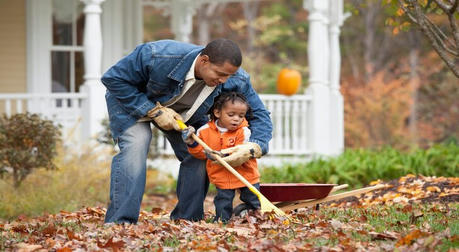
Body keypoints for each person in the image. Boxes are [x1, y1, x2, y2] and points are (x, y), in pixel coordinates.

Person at [101, 38, 272, 224]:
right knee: (137, 144)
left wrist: (254, 146)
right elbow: (113, 78)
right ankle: (120, 222)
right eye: (220, 74)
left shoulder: (236, 79)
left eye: (228, 76)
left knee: (201, 152)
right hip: (133, 104)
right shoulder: (157, 55)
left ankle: (186, 220)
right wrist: (152, 110)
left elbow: (260, 114)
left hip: (185, 116)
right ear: (204, 61)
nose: (224, 81)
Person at [181, 92, 260, 222]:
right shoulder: (204, 131)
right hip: (222, 175)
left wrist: (222, 154)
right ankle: (222, 221)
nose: (237, 119)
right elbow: (200, 153)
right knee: (223, 201)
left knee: (253, 198)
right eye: (231, 115)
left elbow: (240, 151)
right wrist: (192, 143)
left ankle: (256, 216)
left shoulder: (244, 131)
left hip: (246, 174)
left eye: (241, 116)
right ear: (217, 113)